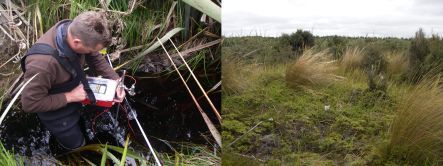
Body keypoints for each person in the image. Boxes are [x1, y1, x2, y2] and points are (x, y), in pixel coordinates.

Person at [20, 11, 125, 150]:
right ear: (77, 43)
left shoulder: (74, 29)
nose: (91, 53)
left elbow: (94, 57)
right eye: (89, 50)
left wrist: (115, 80)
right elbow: (29, 104)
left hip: (73, 94)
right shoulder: (43, 65)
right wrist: (70, 96)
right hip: (56, 115)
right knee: (77, 147)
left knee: (83, 125)